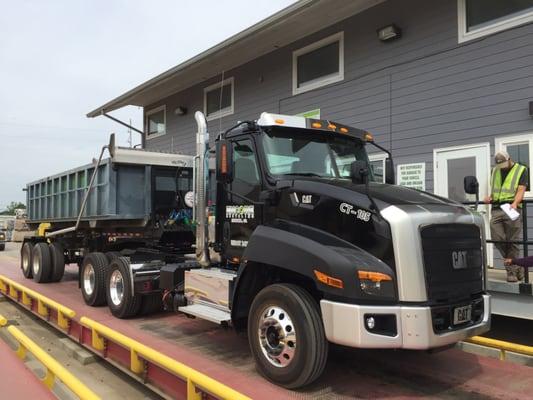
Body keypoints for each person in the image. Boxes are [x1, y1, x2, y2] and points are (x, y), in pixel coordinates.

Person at [484, 151, 528, 282]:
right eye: (499, 165)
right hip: (497, 208)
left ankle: (511, 271)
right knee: (497, 238)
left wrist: (515, 203)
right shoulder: (495, 170)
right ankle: (518, 265)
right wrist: (489, 197)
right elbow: (495, 190)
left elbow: (521, 190)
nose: (501, 167)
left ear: (509, 159)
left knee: (513, 240)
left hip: (512, 208)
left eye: (503, 164)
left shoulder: (521, 170)